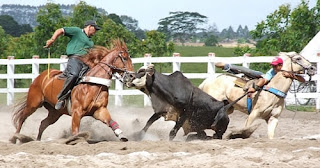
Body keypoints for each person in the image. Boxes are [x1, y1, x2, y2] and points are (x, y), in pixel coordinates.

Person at [44, 20, 101, 110]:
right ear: (89, 26)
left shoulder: (90, 42)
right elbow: (60, 30)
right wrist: (52, 39)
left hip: (86, 62)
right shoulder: (77, 31)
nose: (95, 32)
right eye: (95, 29)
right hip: (75, 59)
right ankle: (61, 98)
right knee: (74, 74)